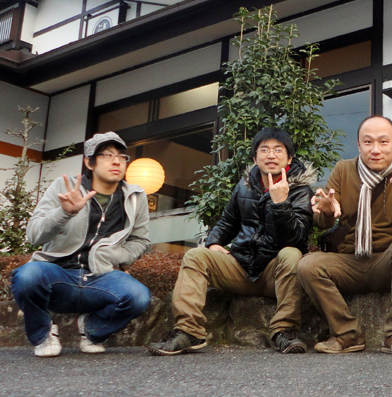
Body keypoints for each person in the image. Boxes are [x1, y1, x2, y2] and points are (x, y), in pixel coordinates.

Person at [146, 128, 314, 355]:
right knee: (196, 256)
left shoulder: (301, 191)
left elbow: (297, 238)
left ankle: (285, 331)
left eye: (278, 150)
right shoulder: (244, 186)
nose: (271, 155)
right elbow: (227, 221)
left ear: (289, 158)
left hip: (275, 275)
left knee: (292, 253)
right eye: (264, 150)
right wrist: (214, 243)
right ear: (255, 158)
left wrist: (281, 203)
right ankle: (188, 331)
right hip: (241, 268)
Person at [297, 116, 392, 355]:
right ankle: (347, 333)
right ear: (358, 145)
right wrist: (326, 211)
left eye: (383, 142)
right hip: (349, 261)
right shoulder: (343, 170)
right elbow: (321, 222)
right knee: (307, 265)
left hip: (387, 263)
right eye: (368, 142)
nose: (375, 149)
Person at [12, 132, 151, 357]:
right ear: (89, 162)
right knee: (27, 276)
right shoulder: (64, 187)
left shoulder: (135, 196)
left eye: (121, 156)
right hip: (58, 273)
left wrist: (116, 256)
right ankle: (43, 334)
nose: (116, 161)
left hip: (101, 276)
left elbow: (141, 240)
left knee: (138, 296)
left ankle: (92, 329)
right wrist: (64, 213)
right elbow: (34, 235)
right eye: (107, 155)